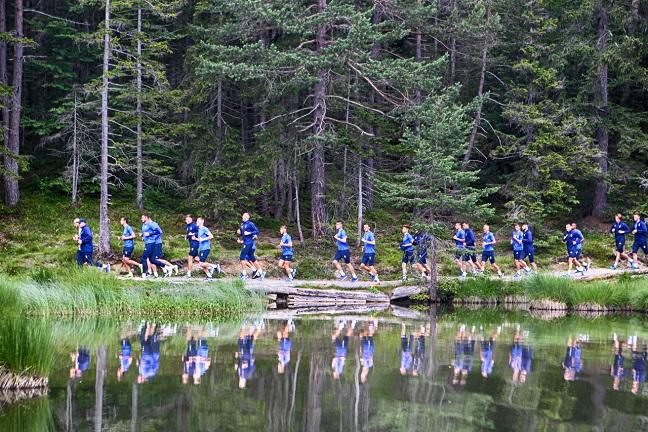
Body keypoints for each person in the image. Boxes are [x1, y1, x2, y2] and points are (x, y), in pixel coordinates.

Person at [140, 214, 172, 279]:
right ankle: (167, 268)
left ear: (146, 217)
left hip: (151, 243)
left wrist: (149, 234)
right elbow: (145, 233)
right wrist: (142, 235)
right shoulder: (143, 225)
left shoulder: (151, 224)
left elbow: (158, 231)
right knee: (152, 260)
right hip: (147, 243)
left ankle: (144, 274)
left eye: (142, 218)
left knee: (144, 258)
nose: (141, 219)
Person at [237, 212, 265, 280]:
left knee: (242, 257)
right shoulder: (242, 224)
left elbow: (257, 231)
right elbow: (243, 234)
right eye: (242, 215)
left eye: (243, 216)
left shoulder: (250, 224)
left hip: (248, 243)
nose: (242, 217)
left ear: (247, 217)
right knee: (252, 258)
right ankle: (261, 272)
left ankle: (244, 274)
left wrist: (249, 233)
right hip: (246, 242)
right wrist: (240, 233)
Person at [235, 324, 259, 389]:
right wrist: (249, 363)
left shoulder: (240, 374)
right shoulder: (247, 375)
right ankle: (255, 327)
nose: (240, 381)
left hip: (244, 355)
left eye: (240, 382)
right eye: (241, 382)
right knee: (244, 340)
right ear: (244, 382)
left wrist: (237, 359)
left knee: (249, 340)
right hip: (246, 356)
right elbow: (252, 367)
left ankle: (255, 327)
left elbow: (238, 365)